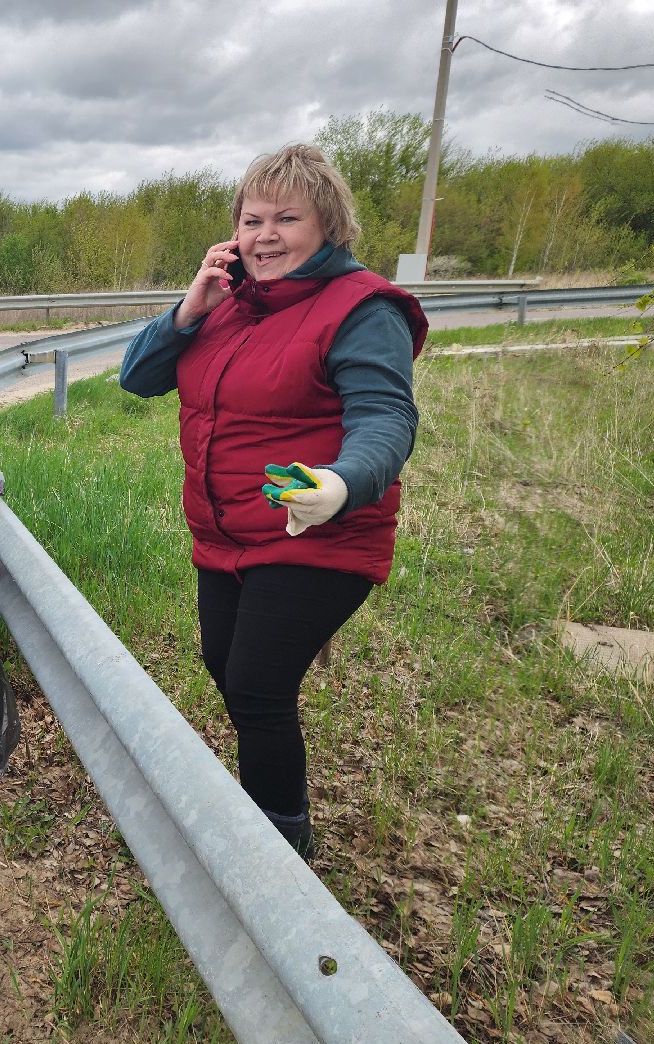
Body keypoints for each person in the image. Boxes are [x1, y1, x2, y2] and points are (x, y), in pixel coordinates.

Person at [118, 143, 427, 859]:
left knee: (256, 686)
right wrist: (190, 308)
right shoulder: (229, 306)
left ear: (329, 226)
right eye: (251, 220)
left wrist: (342, 484)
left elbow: (386, 417)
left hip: (318, 529)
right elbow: (138, 378)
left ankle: (279, 851)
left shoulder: (362, 308)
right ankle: (269, 813)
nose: (265, 236)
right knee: (224, 667)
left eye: (286, 218)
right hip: (226, 534)